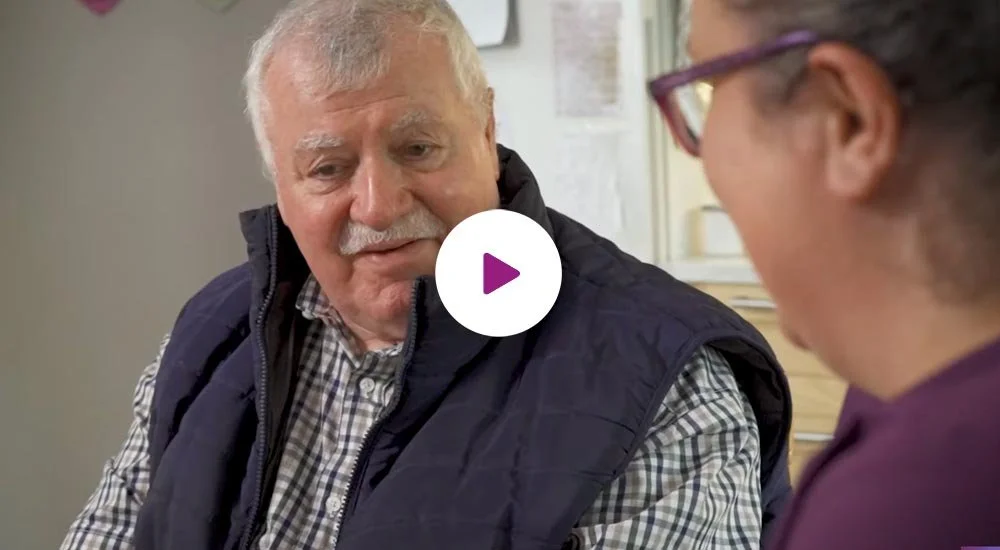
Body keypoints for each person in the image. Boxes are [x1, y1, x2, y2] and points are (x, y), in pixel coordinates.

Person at [61, 1, 794, 549]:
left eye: (417, 148)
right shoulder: (209, 337)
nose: (379, 205)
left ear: (486, 131)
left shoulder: (666, 378)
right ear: (278, 182)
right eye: (327, 168)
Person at [647, 0, 1000, 548]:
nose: (692, 144)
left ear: (848, 119)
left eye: (709, 86)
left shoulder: (898, 508)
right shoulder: (903, 417)